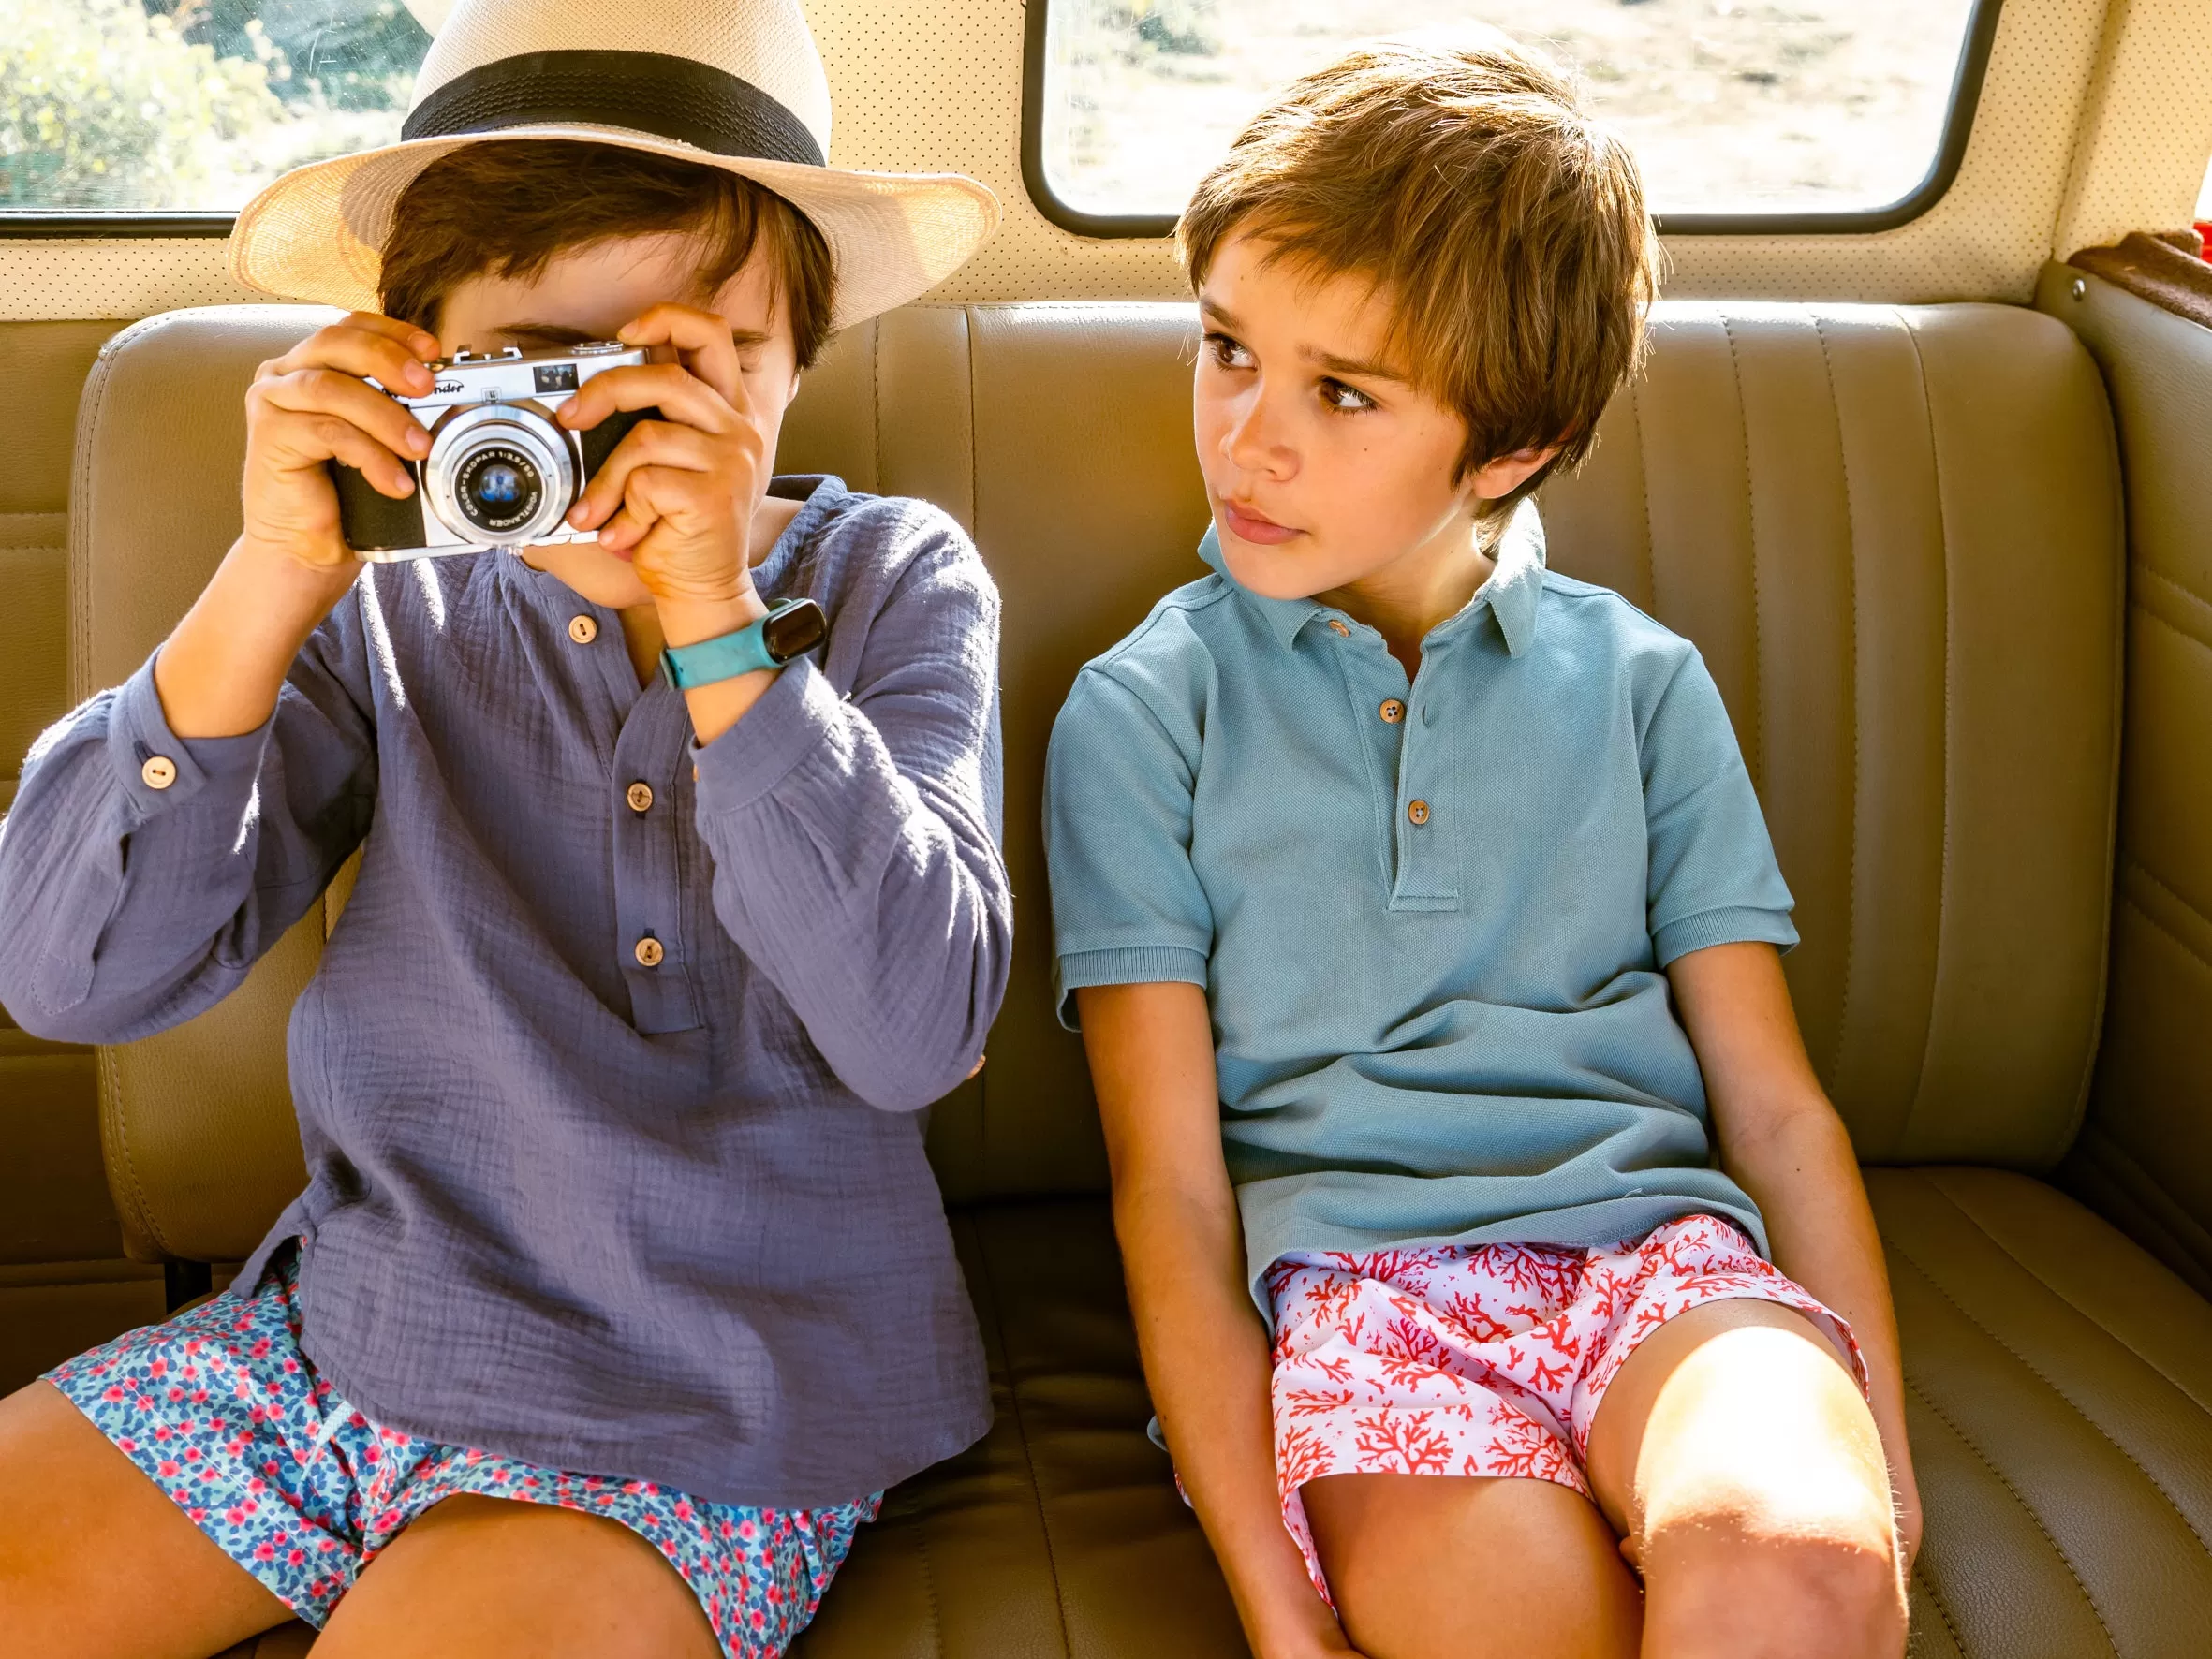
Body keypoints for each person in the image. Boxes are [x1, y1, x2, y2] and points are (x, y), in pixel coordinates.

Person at [0, 1, 1010, 1655]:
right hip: (345, 1340)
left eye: (694, 371)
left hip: (707, 1411)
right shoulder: (385, 605)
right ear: (422, 367)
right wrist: (275, 570)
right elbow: (66, 978)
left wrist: (716, 623)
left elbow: (914, 1032)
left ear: (793, 365)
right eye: (552, 374)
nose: (618, 436)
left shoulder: (893, 576)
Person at [1045, 35, 1921, 1659]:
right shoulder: (1141, 712)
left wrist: (1877, 1465)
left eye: (1342, 395)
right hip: (1360, 1299)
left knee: (1795, 1565)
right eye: (1227, 350)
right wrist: (1275, 1604)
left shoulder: (1642, 684)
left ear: (1507, 450)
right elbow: (1167, 1193)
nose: (1250, 441)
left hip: (1660, 1261)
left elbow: (1778, 1111)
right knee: (1518, 1625)